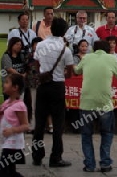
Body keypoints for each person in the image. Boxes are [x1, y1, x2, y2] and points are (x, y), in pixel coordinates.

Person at [74, 40, 117, 172]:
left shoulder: (86, 57)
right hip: (105, 104)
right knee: (107, 133)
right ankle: (105, 163)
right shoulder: (111, 58)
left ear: (93, 49)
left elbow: (77, 71)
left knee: (86, 135)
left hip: (87, 103)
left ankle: (89, 165)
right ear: (108, 49)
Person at [32, 17, 73, 168]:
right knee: (58, 123)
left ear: (51, 28)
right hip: (57, 86)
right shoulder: (65, 49)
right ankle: (55, 157)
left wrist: (43, 73)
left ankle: (37, 155)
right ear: (63, 32)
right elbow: (70, 73)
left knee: (40, 123)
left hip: (43, 85)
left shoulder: (41, 45)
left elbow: (37, 64)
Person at [0, 74, 29, 177]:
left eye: (7, 82)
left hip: (13, 144)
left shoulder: (19, 105)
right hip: (6, 142)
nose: (4, 84)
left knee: (3, 169)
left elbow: (26, 126)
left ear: (15, 87)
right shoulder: (7, 103)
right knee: (11, 172)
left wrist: (12, 130)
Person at [1, 38, 31, 123]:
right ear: (12, 45)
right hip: (10, 85)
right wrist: (21, 75)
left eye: (20, 45)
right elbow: (9, 69)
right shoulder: (6, 56)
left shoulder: (21, 56)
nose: (19, 46)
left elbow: (26, 65)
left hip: (20, 85)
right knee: (9, 104)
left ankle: (20, 121)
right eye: (17, 44)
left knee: (20, 104)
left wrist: (26, 73)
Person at [26, 37, 43, 133]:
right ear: (32, 45)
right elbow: (26, 68)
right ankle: (33, 125)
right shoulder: (29, 56)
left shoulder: (46, 55)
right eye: (35, 44)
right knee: (33, 105)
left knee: (42, 106)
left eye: (39, 44)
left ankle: (41, 125)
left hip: (43, 83)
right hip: (33, 84)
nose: (37, 46)